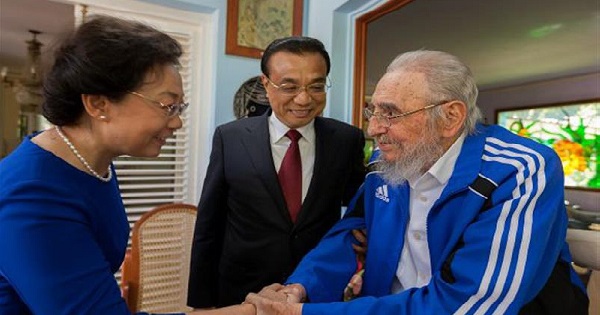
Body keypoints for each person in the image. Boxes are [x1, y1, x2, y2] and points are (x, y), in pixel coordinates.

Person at [244, 50, 589, 314]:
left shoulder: (519, 169)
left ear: (450, 117)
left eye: (390, 113)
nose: (374, 129)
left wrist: (306, 312)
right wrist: (301, 287)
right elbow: (353, 233)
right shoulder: (386, 163)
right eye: (373, 111)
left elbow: (472, 304)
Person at [0, 15, 253, 315]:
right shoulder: (32, 197)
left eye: (179, 107)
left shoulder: (94, 165)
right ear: (98, 104)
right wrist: (249, 311)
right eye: (167, 106)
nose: (177, 121)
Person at [187, 36, 366, 308]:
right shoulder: (231, 138)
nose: (304, 99)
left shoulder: (346, 139)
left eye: (316, 86)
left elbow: (357, 209)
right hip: (241, 289)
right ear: (266, 84)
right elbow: (209, 225)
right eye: (289, 86)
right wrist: (202, 301)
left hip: (315, 290)